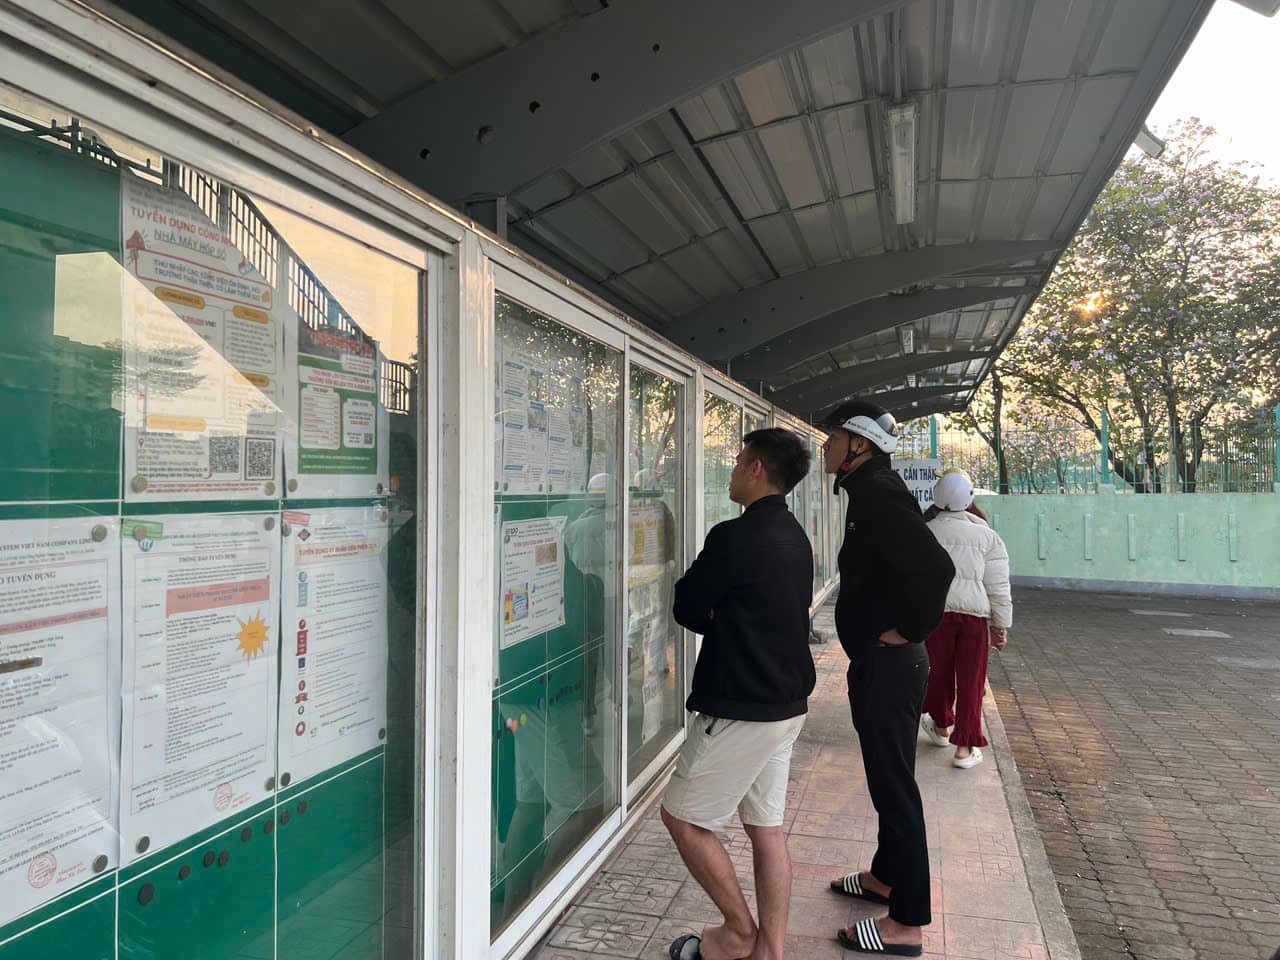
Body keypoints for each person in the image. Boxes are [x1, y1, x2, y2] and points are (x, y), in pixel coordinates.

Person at [662, 428, 815, 960]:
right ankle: (767, 952)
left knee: (682, 817)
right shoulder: (797, 535)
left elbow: (687, 606)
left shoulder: (734, 536)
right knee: (765, 828)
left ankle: (736, 933)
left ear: (755, 469)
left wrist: (717, 614)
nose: (730, 470)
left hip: (740, 706)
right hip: (786, 704)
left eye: (736, 461)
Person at [820, 401, 955, 957]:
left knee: (896, 787)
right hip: (881, 664)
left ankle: (907, 922)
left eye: (833, 438)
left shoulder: (878, 495)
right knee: (885, 778)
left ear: (860, 445)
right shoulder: (869, 492)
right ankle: (884, 878)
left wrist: (908, 630)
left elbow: (937, 568)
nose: (825, 446)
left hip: (892, 665)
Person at [919, 470, 1012, 769]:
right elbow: (998, 587)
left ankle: (941, 726)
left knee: (938, 673)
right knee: (972, 681)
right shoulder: (988, 536)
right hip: (974, 620)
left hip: (936, 616)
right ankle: (965, 747)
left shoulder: (924, 532)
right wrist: (1001, 626)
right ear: (969, 498)